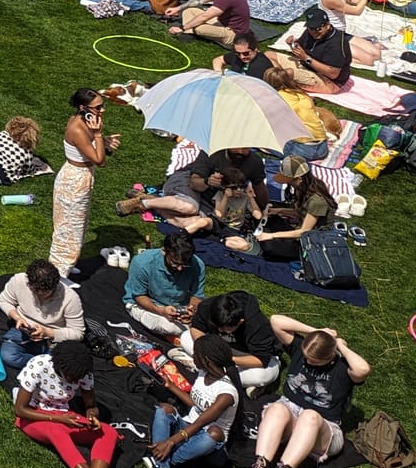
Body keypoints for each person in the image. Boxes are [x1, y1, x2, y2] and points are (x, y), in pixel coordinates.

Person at [242, 316, 372, 468]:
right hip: (289, 412)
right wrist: (318, 332)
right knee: (278, 409)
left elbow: (363, 369)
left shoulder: (343, 369)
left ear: (330, 356)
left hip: (322, 427)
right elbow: (276, 321)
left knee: (310, 416)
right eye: (306, 358)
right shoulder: (300, 350)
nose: (308, 362)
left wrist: (339, 345)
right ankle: (260, 466)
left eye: (315, 361)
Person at [16, 340, 130, 468]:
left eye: (79, 378)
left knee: (108, 432)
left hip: (64, 415)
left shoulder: (82, 372)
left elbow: (91, 405)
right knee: (57, 432)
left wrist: (92, 416)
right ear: (60, 366)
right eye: (72, 377)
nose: (76, 381)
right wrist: (58, 419)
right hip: (33, 417)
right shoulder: (39, 365)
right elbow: (20, 410)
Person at [142, 336, 240, 468]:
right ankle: (162, 466)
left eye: (196, 354)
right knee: (165, 408)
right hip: (188, 427)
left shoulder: (226, 394)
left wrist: (171, 441)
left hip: (208, 443)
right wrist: (170, 386)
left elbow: (201, 422)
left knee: (214, 433)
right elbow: (196, 404)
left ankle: (161, 461)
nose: (193, 357)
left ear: (207, 360)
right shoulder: (203, 373)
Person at [50, 88, 119, 282]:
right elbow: (100, 160)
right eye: (98, 107)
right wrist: (98, 136)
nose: (102, 110)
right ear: (83, 107)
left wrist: (103, 141)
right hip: (74, 181)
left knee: (78, 225)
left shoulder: (87, 121)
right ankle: (59, 273)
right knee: (68, 228)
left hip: (81, 177)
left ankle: (68, 265)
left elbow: (90, 150)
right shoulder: (78, 128)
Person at [121, 145, 265, 236]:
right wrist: (208, 181)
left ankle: (149, 201)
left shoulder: (254, 162)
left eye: (245, 148)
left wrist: (266, 209)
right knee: (189, 207)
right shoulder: (212, 153)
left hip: (211, 198)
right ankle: (144, 203)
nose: (240, 152)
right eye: (237, 147)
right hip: (188, 181)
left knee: (194, 223)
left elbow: (260, 187)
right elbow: (195, 183)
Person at [181, 289, 282, 392]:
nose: (220, 330)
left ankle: (207, 369)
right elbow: (197, 328)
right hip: (218, 347)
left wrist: (226, 359)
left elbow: (261, 360)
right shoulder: (208, 306)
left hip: (246, 355)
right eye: (217, 326)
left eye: (225, 328)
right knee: (185, 338)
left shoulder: (258, 325)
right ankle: (225, 377)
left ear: (240, 322)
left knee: (264, 375)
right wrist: (205, 348)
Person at [0, 259, 87, 372]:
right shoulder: (19, 280)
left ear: (55, 286)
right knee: (8, 356)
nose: (40, 296)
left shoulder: (71, 299)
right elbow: (4, 300)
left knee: (66, 364)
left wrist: (48, 333)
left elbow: (78, 333)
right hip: (24, 330)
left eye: (45, 293)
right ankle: (46, 366)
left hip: (54, 338)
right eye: (35, 291)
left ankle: (46, 365)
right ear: (28, 282)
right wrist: (17, 318)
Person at [122, 234, 205, 342]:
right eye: (175, 263)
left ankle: (183, 334)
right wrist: (160, 311)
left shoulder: (197, 264)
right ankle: (178, 335)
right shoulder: (142, 262)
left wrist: (191, 310)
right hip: (145, 305)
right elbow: (139, 296)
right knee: (170, 326)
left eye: (185, 265)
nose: (180, 268)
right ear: (164, 251)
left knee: (211, 315)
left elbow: (197, 295)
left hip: (178, 306)